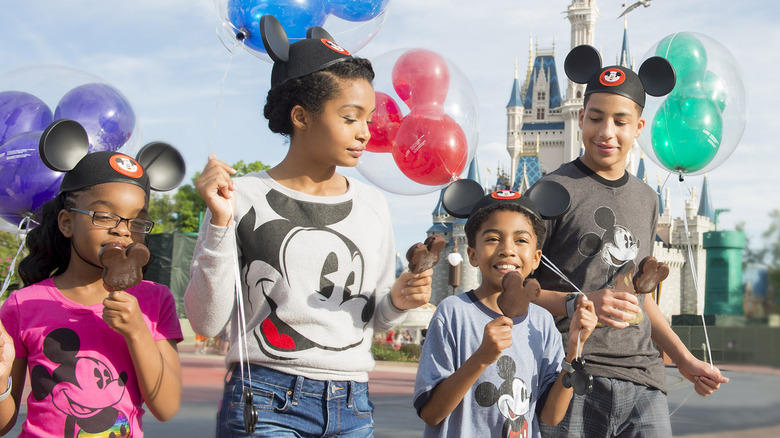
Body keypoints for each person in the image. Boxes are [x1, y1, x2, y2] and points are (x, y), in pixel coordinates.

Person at [184, 15, 432, 437]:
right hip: (264, 399)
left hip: (353, 404)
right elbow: (207, 322)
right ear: (301, 116)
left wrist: (399, 301)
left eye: (368, 120)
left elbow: (372, 318)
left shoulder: (371, 203)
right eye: (351, 117)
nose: (365, 134)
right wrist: (220, 225)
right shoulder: (238, 197)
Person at [531, 45, 729, 437]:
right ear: (581, 119)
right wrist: (579, 303)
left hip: (644, 379)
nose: (607, 132)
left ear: (638, 127)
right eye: (596, 118)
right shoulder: (550, 191)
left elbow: (640, 298)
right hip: (572, 374)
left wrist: (685, 360)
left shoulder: (646, 200)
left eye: (621, 121)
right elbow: (516, 290)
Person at [0, 131, 184, 437]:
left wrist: (137, 330)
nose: (123, 231)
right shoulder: (22, 305)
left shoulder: (155, 301)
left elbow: (166, 407)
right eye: (104, 216)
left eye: (137, 222)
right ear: (67, 222)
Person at [413, 186, 598, 438]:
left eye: (521, 240)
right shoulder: (453, 313)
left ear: (536, 258)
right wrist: (482, 357)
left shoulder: (542, 323)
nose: (507, 249)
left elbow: (551, 416)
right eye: (492, 238)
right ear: (472, 254)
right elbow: (431, 413)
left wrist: (575, 347)